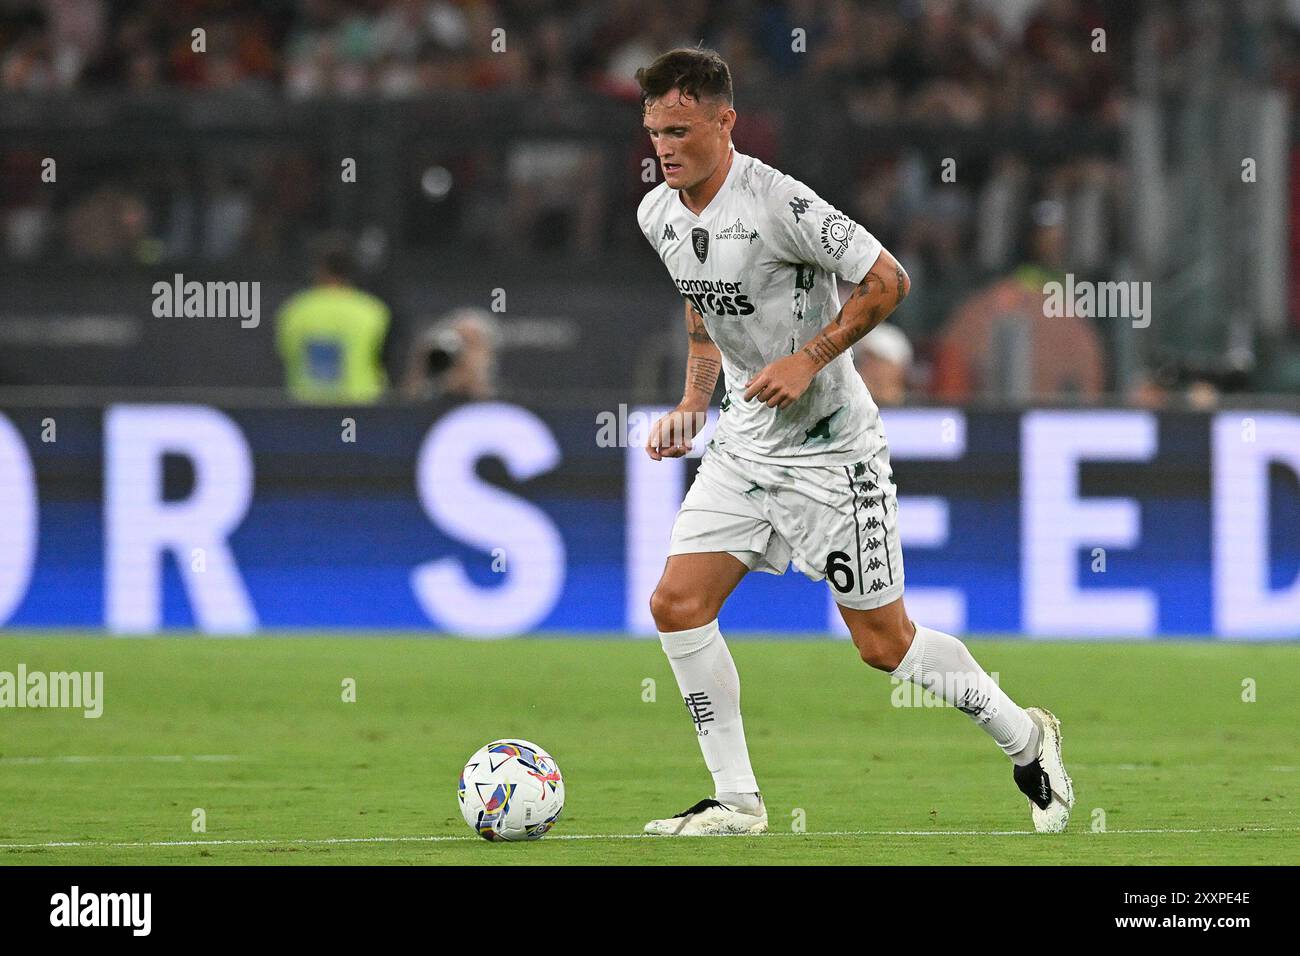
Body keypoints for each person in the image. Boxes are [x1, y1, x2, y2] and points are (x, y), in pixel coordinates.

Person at [635, 47, 1073, 836]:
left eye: (680, 128)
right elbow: (703, 320)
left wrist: (808, 359)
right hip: (744, 443)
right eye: (654, 130)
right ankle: (736, 801)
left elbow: (888, 280)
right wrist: (694, 405)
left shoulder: (778, 202)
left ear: (724, 122)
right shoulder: (658, 213)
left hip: (834, 452)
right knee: (676, 603)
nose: (663, 147)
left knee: (883, 646)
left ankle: (1026, 736)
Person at [275, 236, 390, 404]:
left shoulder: (294, 310)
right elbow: (382, 359)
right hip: (361, 411)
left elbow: (287, 354)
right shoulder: (373, 311)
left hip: (307, 410)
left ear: (318, 269)